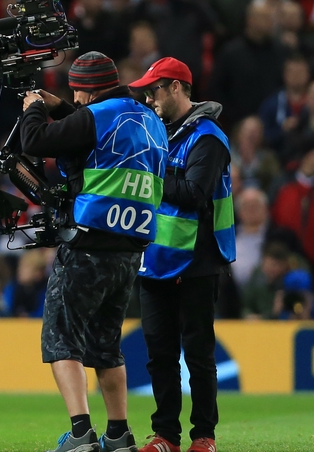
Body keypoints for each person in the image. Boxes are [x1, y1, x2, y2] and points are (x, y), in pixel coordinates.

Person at [19, 51, 167, 452]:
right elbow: (95, 132)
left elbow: (35, 141)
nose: (75, 99)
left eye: (76, 92)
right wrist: (60, 108)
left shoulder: (94, 115)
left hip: (89, 243)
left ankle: (81, 431)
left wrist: (34, 109)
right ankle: (119, 434)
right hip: (130, 249)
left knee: (61, 339)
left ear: (87, 89)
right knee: (106, 345)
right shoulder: (149, 120)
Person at [129, 57, 235, 452]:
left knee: (198, 354)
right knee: (159, 354)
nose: (149, 98)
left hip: (197, 260)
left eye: (153, 90)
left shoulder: (208, 137)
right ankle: (166, 437)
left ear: (176, 87)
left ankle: (204, 436)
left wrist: (148, 178)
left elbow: (194, 194)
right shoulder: (158, 134)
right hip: (155, 257)